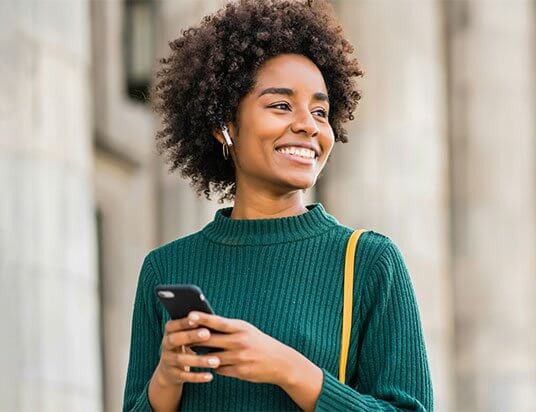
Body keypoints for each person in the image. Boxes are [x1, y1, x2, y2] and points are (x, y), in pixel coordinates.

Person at [122, 0, 434, 411]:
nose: (308, 124)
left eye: (320, 111)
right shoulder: (166, 267)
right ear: (224, 125)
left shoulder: (369, 262)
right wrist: (165, 381)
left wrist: (290, 370)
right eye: (281, 105)